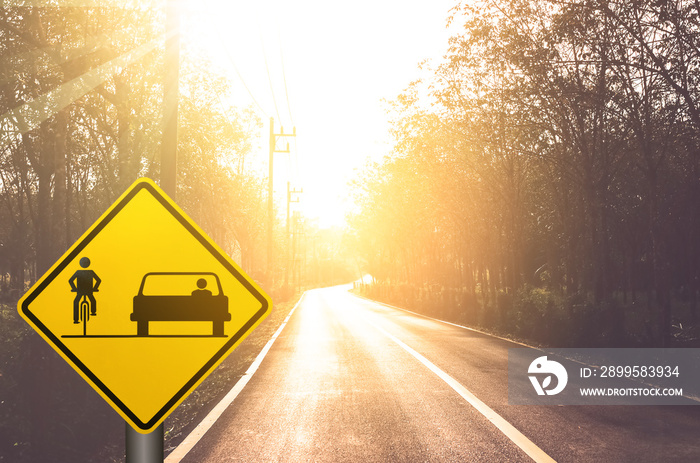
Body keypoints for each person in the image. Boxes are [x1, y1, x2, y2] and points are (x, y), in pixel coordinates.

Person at [69, 257, 101, 323]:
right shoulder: (91, 272)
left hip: (80, 291)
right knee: (93, 300)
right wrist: (95, 288)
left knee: (76, 302)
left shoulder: (78, 272)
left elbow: (70, 280)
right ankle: (93, 311)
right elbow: (98, 280)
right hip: (89, 291)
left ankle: (75, 319)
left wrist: (74, 288)